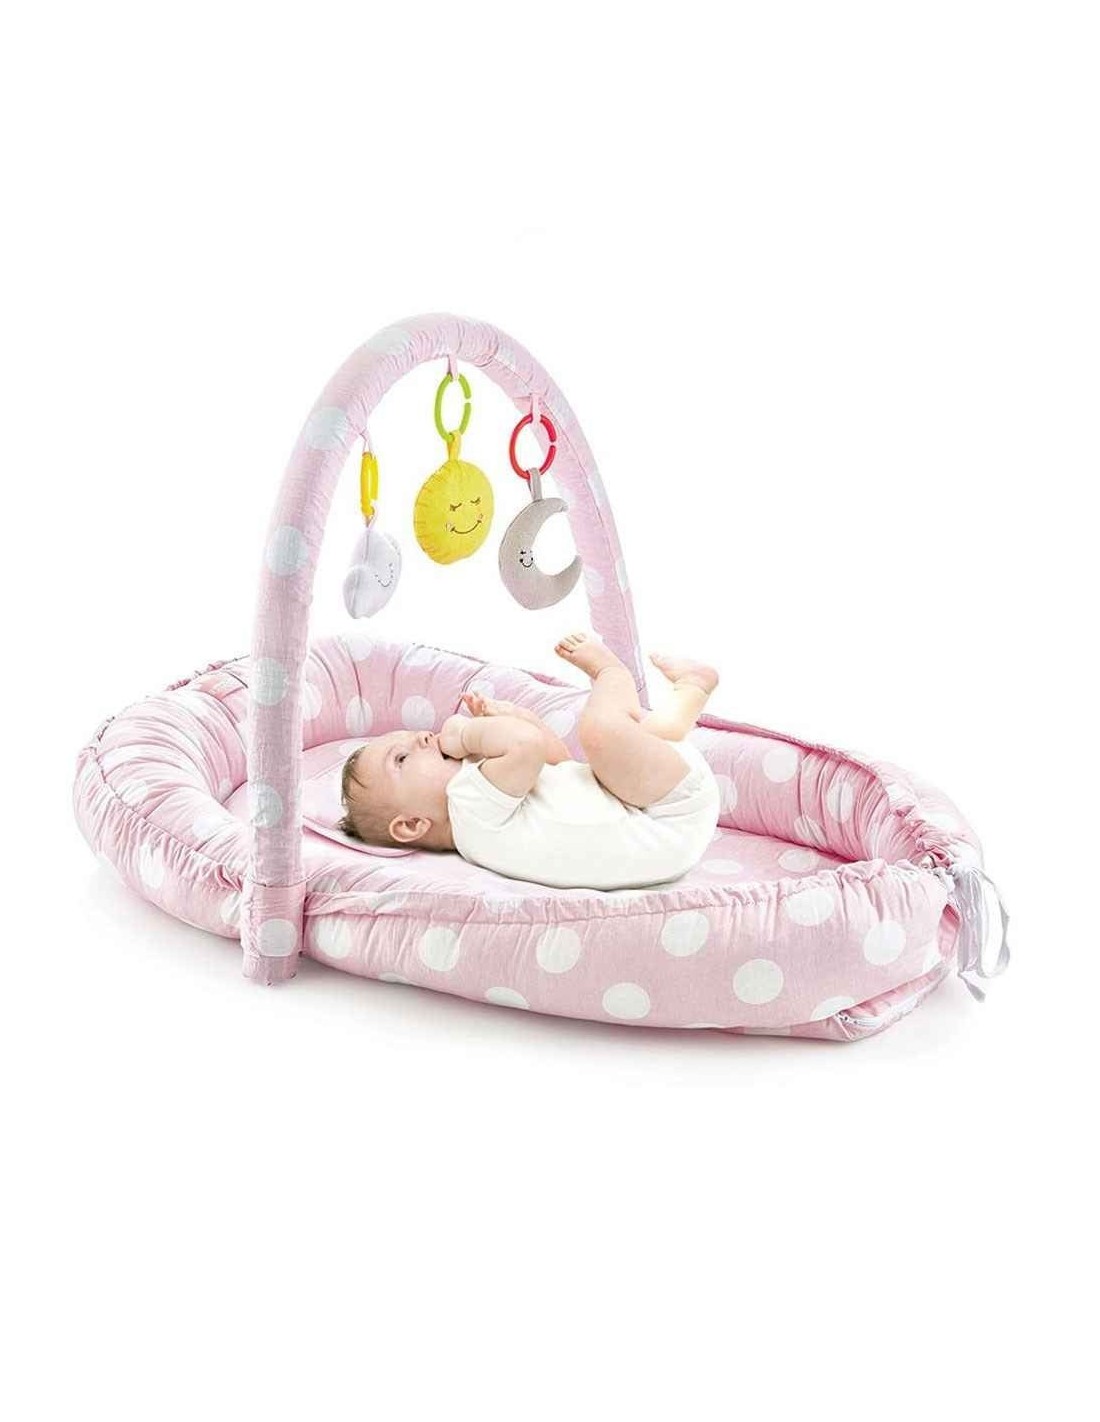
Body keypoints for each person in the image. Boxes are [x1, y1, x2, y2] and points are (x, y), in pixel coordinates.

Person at [339, 632, 721, 890]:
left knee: (622, 751)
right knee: (601, 734)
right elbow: (527, 745)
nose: (423, 736)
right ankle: (612, 673)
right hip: (665, 813)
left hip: (669, 837)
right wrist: (467, 733)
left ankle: (691, 690)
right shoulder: (467, 807)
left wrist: (515, 718)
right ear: (411, 824)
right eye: (402, 757)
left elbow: (558, 764)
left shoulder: (485, 827)